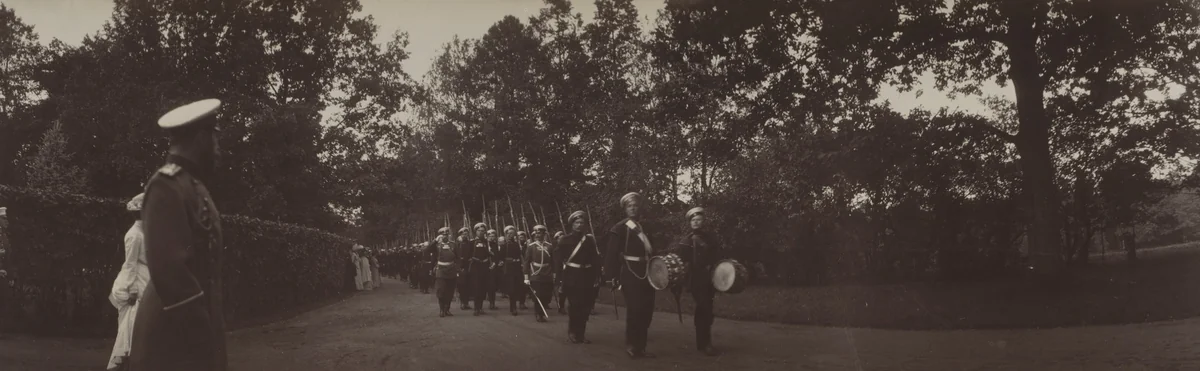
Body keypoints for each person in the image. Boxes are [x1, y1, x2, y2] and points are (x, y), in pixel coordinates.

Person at [128, 98, 228, 371]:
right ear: (199, 138)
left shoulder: (194, 187)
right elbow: (171, 273)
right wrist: (202, 336)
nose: (218, 150)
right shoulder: (166, 185)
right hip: (173, 338)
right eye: (215, 140)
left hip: (192, 332)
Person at [604, 192, 660, 359]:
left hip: (647, 272)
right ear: (625, 209)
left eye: (636, 205)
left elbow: (654, 250)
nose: (633, 208)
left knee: (647, 310)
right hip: (630, 273)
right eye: (630, 206)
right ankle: (632, 345)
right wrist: (610, 276)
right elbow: (611, 255)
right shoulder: (620, 228)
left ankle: (641, 347)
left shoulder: (647, 227)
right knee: (635, 310)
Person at [672, 207, 724, 356]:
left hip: (710, 279)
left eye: (698, 219)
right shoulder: (686, 241)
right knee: (705, 307)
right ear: (690, 223)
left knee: (706, 309)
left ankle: (703, 342)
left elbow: (717, 256)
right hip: (695, 279)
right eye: (693, 220)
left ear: (703, 221)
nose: (696, 222)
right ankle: (704, 343)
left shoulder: (711, 238)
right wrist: (677, 282)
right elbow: (679, 263)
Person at [107, 193, 151, 370]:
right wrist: (132, 289)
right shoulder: (134, 235)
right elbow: (131, 263)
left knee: (141, 330)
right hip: (136, 283)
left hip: (146, 281)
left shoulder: (145, 232)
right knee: (131, 329)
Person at [556, 211, 602, 344]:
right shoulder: (565, 240)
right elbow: (558, 261)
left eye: (582, 222)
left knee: (586, 307)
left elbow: (595, 259)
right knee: (575, 306)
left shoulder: (589, 240)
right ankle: (572, 332)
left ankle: (581, 333)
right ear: (572, 225)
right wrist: (559, 279)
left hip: (587, 277)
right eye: (577, 222)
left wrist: (597, 275)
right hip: (572, 277)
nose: (579, 225)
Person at [522, 225, 555, 323]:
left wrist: (554, 274)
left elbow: (553, 261)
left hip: (547, 273)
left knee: (546, 295)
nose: (537, 235)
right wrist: (526, 277)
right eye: (536, 233)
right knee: (538, 295)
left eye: (539, 233)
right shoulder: (531, 247)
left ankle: (542, 310)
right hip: (536, 274)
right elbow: (526, 262)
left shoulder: (549, 246)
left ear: (544, 234)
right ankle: (538, 314)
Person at [426, 227, 459, 317]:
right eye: (443, 234)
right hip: (441, 269)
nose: (445, 236)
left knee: (450, 291)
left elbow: (458, 257)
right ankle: (441, 309)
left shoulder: (453, 245)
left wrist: (458, 269)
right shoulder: (437, 245)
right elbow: (427, 250)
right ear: (440, 235)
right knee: (441, 291)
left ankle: (447, 309)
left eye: (446, 234)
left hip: (451, 269)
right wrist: (435, 241)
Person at [468, 223, 493, 316]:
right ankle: (476, 308)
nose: (481, 232)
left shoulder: (487, 242)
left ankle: (481, 307)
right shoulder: (472, 242)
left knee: (483, 287)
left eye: (483, 231)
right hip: (476, 267)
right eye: (479, 231)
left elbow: (489, 254)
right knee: (477, 288)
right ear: (476, 232)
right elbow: (469, 254)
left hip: (485, 267)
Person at [501, 225, 526, 315]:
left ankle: (519, 303)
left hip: (517, 267)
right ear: (506, 234)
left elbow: (520, 255)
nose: (510, 235)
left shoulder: (517, 244)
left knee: (518, 287)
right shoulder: (504, 245)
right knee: (511, 289)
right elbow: (501, 257)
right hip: (509, 268)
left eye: (512, 233)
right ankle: (513, 307)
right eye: (509, 233)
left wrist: (522, 264)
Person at [456, 227, 474, 310]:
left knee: (468, 285)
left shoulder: (470, 243)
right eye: (463, 234)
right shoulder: (457, 244)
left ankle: (466, 303)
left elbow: (472, 253)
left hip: (469, 267)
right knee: (461, 285)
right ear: (460, 235)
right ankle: (462, 302)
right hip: (460, 267)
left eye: (466, 234)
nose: (465, 235)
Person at [485, 229, 502, 310]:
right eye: (490, 236)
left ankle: (492, 303)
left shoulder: (496, 245)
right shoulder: (484, 244)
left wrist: (495, 263)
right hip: (485, 267)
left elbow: (498, 256)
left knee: (492, 286)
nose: (491, 238)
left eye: (493, 236)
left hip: (494, 267)